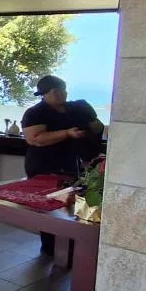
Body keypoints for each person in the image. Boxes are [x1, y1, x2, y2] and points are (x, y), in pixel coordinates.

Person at [22, 75, 105, 255]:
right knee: (46, 206)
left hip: (72, 163)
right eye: (56, 91)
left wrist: (88, 131)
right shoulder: (35, 113)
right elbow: (35, 139)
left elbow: (98, 125)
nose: (62, 93)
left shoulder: (77, 107)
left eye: (64, 89)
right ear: (44, 94)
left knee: (72, 204)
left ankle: (74, 247)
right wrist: (67, 133)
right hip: (42, 165)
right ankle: (50, 247)